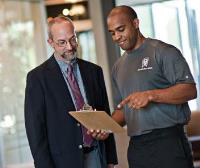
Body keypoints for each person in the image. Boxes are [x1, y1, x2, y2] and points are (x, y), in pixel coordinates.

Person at [92, 5, 197, 168]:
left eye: (121, 29)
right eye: (112, 33)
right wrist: (105, 127)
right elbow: (123, 110)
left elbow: (190, 89)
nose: (117, 37)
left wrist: (150, 95)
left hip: (169, 141)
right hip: (137, 146)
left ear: (136, 23)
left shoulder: (163, 51)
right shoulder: (118, 67)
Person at [24, 16, 117, 168]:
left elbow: (104, 113)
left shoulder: (94, 71)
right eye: (62, 42)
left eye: (72, 39)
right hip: (62, 162)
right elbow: (35, 131)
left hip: (96, 155)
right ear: (51, 43)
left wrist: (111, 159)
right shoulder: (37, 78)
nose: (69, 46)